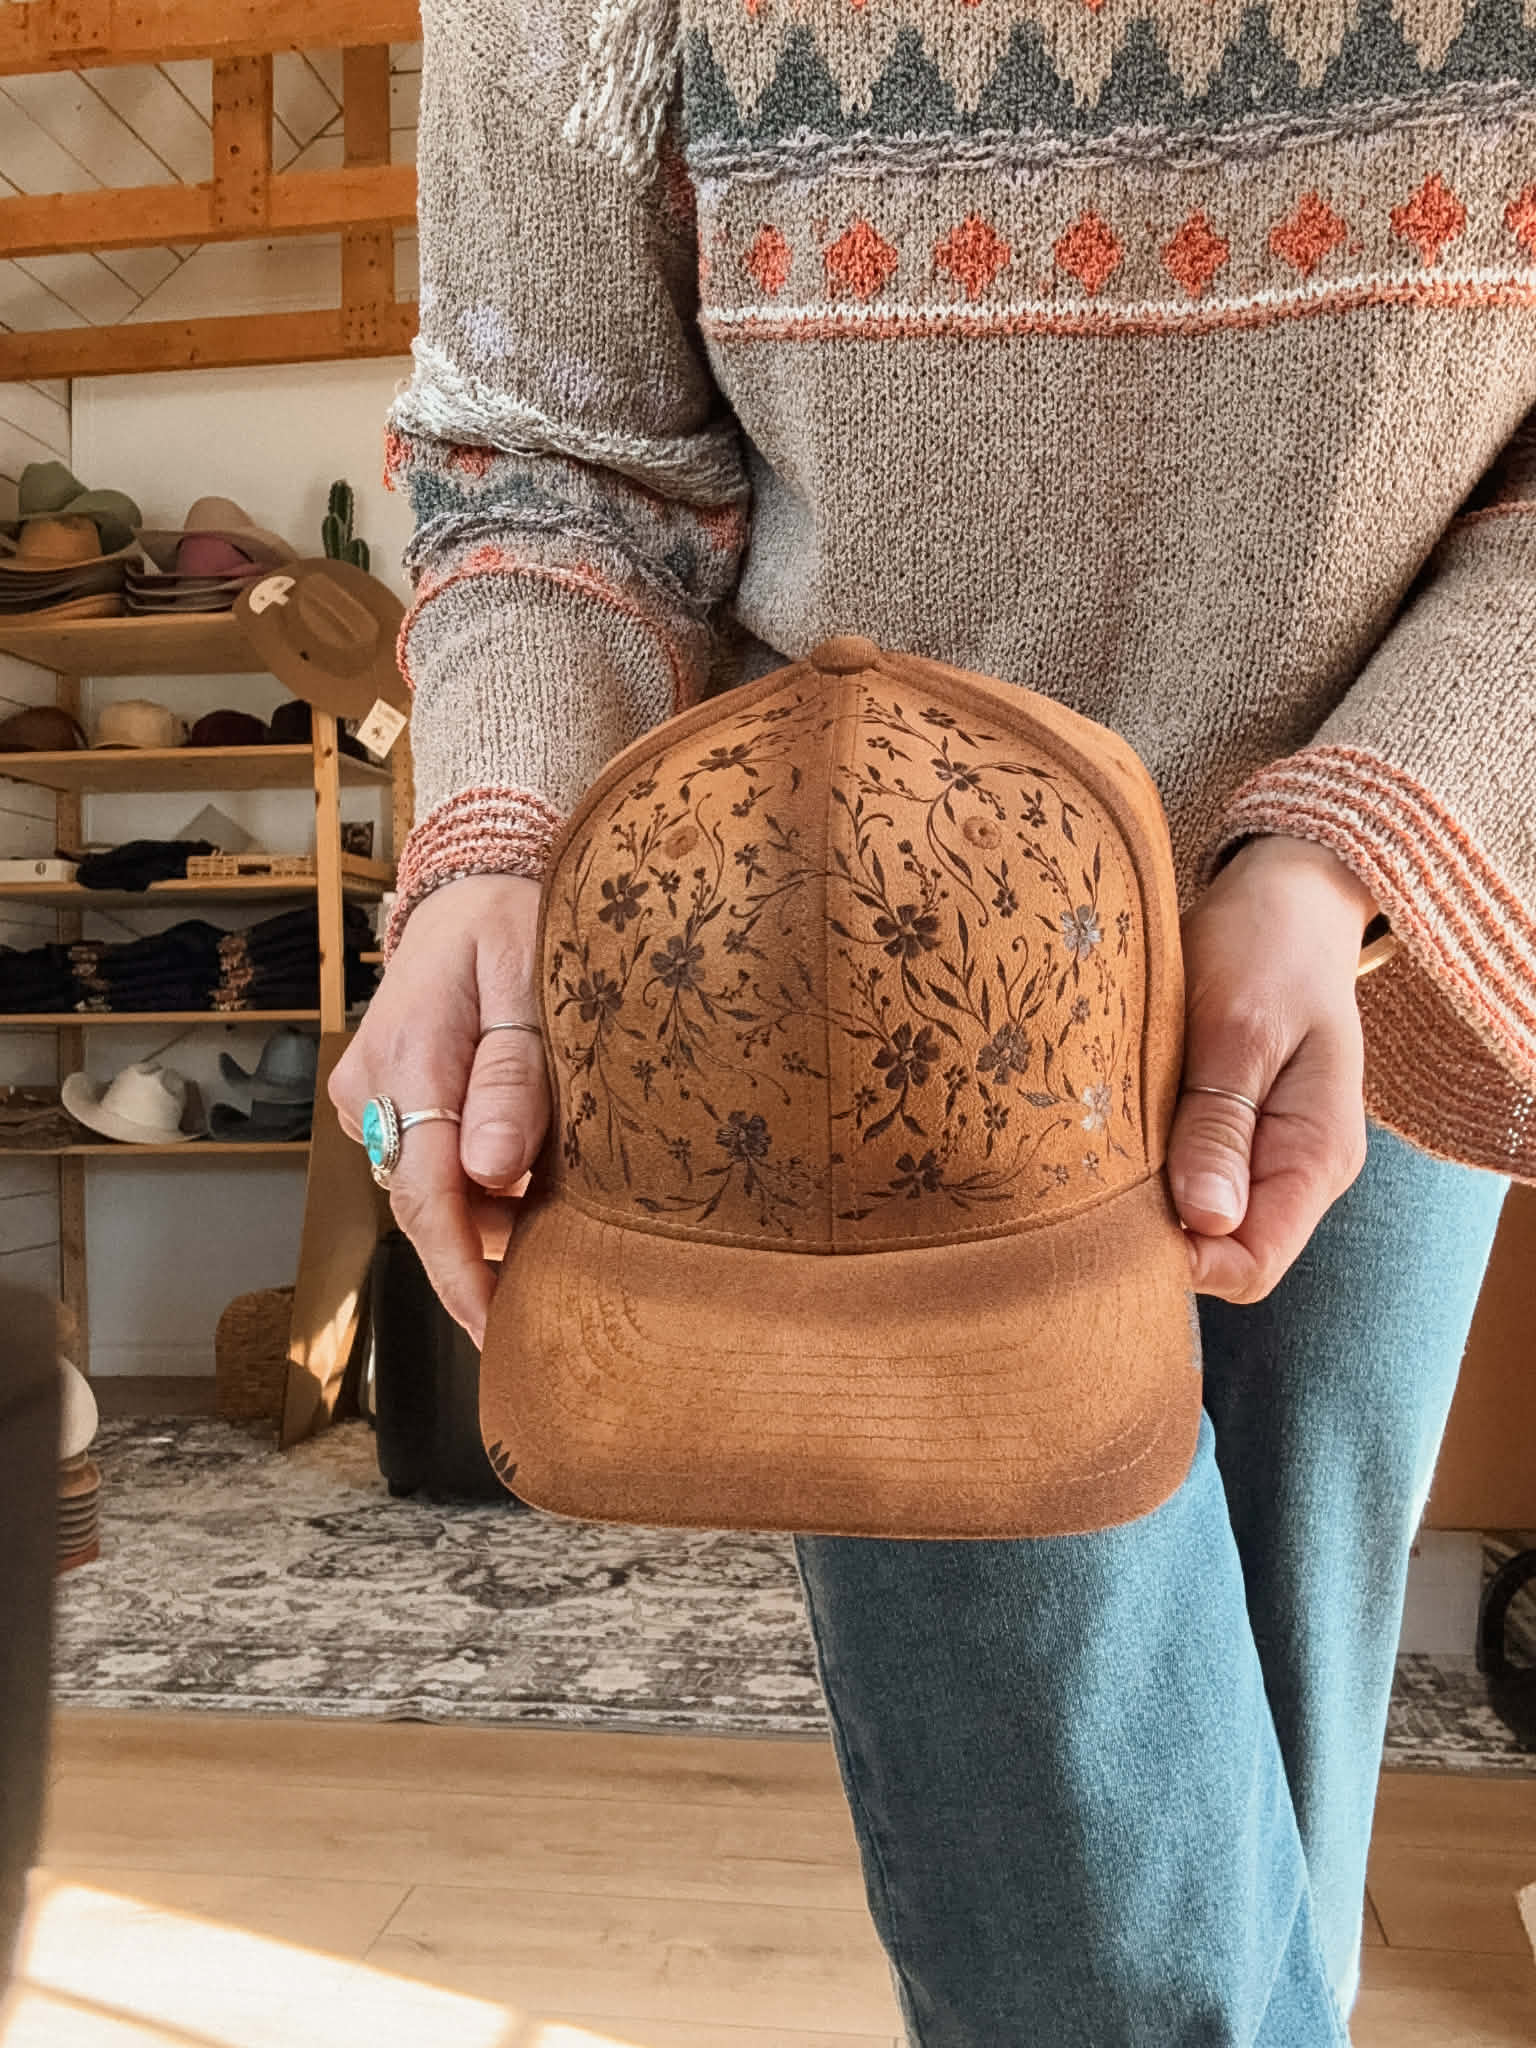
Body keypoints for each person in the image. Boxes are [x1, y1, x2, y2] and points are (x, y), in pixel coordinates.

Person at [331, 3, 1535, 2039]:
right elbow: (547, 447)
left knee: (1276, 1842)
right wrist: (500, 831)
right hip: (866, 1013)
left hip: (1370, 933)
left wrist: (1359, 845)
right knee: (1122, 1972)